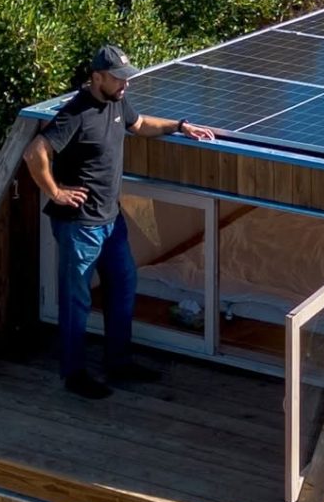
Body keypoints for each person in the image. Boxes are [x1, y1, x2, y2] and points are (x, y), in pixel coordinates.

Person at [23, 44, 215, 399]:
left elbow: (139, 125)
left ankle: (118, 362)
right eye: (118, 79)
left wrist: (180, 126)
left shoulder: (117, 102)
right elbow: (35, 152)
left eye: (127, 78)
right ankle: (74, 374)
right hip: (81, 225)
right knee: (76, 300)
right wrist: (56, 192)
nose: (125, 84)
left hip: (111, 220)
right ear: (97, 77)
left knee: (124, 284)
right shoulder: (75, 113)